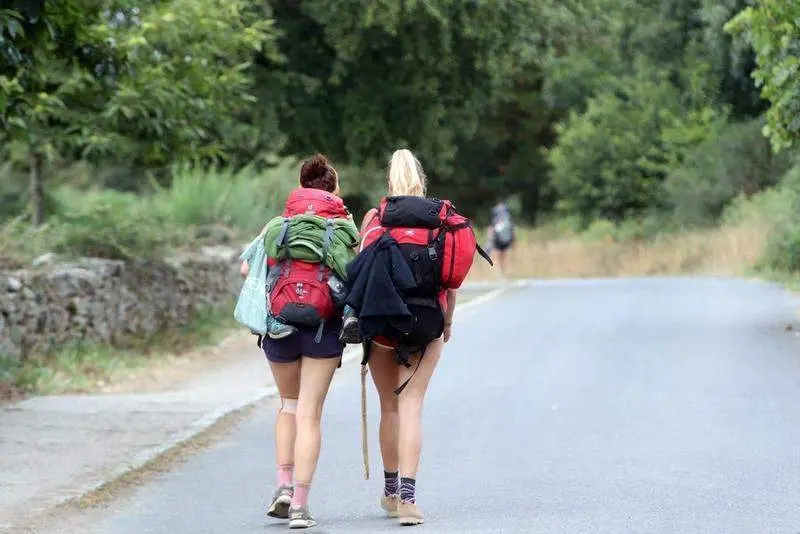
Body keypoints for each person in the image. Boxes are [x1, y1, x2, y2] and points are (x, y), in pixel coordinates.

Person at [240, 154, 355, 529]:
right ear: (333, 190)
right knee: (310, 414)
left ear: (300, 186)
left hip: (280, 326)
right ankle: (302, 508)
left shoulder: (278, 224)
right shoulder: (341, 226)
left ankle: (283, 488)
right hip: (323, 329)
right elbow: (354, 272)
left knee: (288, 406)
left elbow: (247, 267)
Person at [350, 149, 458, 526]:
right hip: (426, 322)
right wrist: (447, 322)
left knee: (389, 407)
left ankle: (392, 491)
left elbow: (361, 274)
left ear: (389, 179)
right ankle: (410, 499)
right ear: (420, 179)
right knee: (412, 404)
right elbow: (449, 280)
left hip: (382, 326)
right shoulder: (439, 221)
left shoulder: (376, 219)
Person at [487, 201, 514, 276]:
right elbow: (512, 231)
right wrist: (513, 242)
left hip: (497, 240)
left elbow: (491, 229)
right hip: (505, 240)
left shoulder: (495, 217)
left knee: (497, 255)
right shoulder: (508, 218)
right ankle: (503, 271)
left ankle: (499, 272)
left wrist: (489, 240)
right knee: (503, 255)